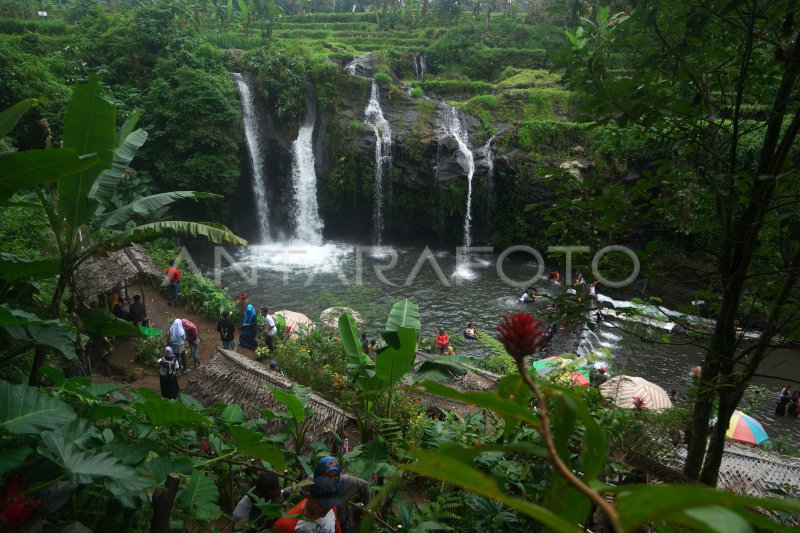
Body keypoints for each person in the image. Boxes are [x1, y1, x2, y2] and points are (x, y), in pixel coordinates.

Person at [313, 457, 370, 533]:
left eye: (335, 476)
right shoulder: (312, 484)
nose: (332, 480)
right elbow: (297, 490)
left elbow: (364, 486)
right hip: (318, 524)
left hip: (341, 523)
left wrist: (368, 507)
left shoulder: (345, 482)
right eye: (328, 477)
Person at [273, 476, 342, 533]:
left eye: (329, 504)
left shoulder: (332, 508)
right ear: (309, 497)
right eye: (322, 505)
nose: (326, 509)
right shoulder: (287, 524)